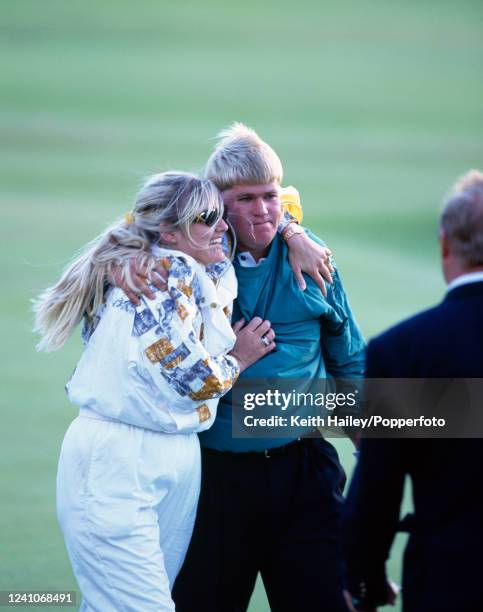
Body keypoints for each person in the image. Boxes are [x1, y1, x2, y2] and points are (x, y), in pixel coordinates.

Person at [33, 172, 276, 611]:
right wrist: (239, 358)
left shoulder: (198, 265)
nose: (223, 226)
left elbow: (279, 204)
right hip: (119, 455)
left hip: (174, 452)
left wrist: (295, 233)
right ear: (168, 231)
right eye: (207, 218)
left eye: (221, 215)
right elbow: (197, 379)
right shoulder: (161, 273)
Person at [155, 124, 364, 612]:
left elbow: (348, 355)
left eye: (270, 196)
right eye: (245, 199)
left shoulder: (313, 259)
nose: (262, 210)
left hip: (304, 470)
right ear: (218, 205)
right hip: (214, 477)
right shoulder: (191, 256)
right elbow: (137, 224)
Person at [343, 171, 483, 612]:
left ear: (444, 244)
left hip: (452, 584)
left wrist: (362, 579)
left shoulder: (405, 352)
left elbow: (378, 490)